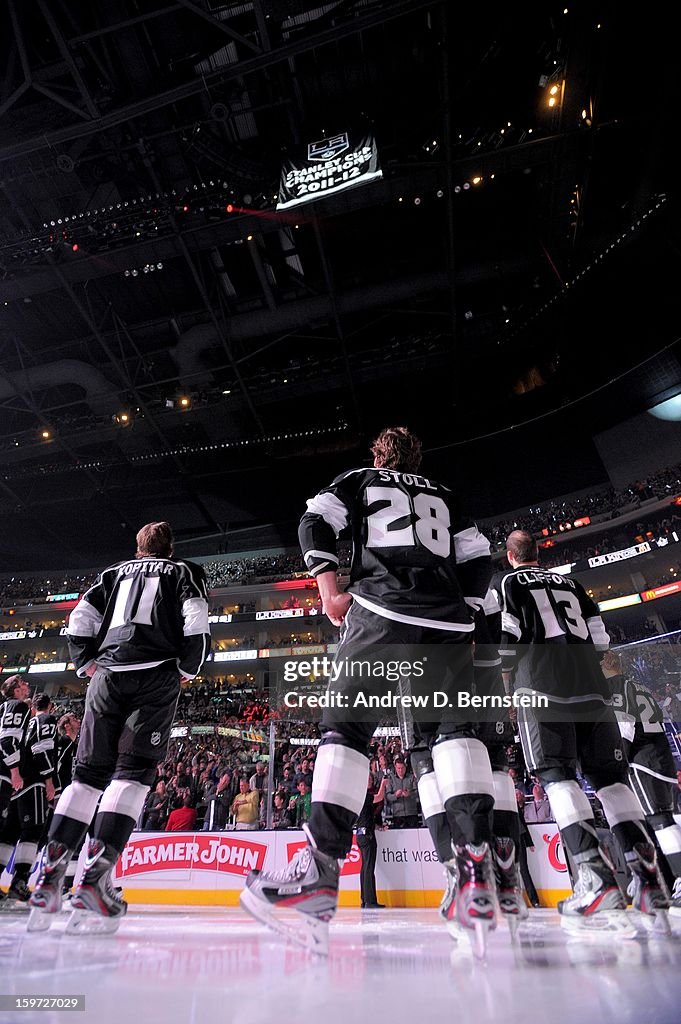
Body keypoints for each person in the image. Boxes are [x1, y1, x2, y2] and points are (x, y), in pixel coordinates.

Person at [242, 426, 498, 955]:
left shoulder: (358, 480)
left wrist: (330, 589)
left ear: (377, 455)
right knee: (455, 731)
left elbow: (314, 520)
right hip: (447, 624)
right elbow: (478, 554)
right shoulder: (444, 495)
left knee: (346, 728)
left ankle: (317, 872)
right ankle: (477, 872)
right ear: (418, 455)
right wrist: (467, 613)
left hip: (382, 612)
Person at [29, 521, 210, 932]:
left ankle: (48, 878)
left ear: (138, 548)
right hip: (155, 675)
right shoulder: (184, 571)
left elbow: (79, 618)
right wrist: (190, 666)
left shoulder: (112, 573)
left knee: (87, 776)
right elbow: (195, 617)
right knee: (132, 774)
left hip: (107, 675)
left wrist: (84, 661)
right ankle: (93, 882)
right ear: (170, 548)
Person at [499, 529, 668, 926]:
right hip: (591, 689)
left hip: (541, 688)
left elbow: (507, 640)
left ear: (510, 556)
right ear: (538, 552)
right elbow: (600, 642)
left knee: (557, 777)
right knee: (611, 780)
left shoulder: (511, 582)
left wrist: (504, 688)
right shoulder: (572, 584)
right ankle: (648, 879)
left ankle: (594, 879)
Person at [602, 649, 681, 916]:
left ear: (605, 663)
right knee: (660, 821)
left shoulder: (616, 686)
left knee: (660, 822)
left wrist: (617, 760)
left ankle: (678, 880)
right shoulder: (638, 685)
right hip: (661, 758)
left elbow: (625, 725)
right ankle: (666, 881)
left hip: (642, 760)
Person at [0, 687, 57, 903]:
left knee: (9, 832)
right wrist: (50, 780)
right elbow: (41, 747)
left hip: (17, 780)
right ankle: (20, 881)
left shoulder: (27, 718)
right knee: (33, 831)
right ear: (49, 706)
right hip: (32, 780)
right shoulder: (45, 719)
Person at [356, 773, 387, 908]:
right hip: (367, 835)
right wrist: (383, 785)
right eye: (367, 779)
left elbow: (366, 817)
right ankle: (369, 900)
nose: (369, 781)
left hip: (361, 833)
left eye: (370, 779)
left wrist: (378, 827)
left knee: (365, 868)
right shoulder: (364, 795)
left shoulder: (358, 796)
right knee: (368, 868)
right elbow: (379, 797)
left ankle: (365, 899)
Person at [384, 757, 419, 828]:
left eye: (402, 768)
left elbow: (418, 793)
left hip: (411, 813)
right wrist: (395, 795)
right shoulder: (391, 779)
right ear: (395, 768)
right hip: (398, 815)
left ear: (405, 767)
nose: (400, 770)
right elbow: (387, 796)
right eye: (398, 768)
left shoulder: (411, 778)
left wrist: (410, 794)